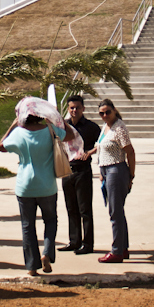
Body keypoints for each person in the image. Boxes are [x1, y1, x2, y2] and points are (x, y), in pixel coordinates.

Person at [0, 97, 75, 276]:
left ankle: (31, 266)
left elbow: (1, 146)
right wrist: (58, 120)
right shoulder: (50, 130)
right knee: (50, 220)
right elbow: (70, 135)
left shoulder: (19, 132)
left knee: (27, 225)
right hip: (47, 185)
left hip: (25, 186)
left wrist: (13, 126)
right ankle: (47, 253)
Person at [94, 98, 135, 263]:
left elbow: (130, 152)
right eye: (101, 113)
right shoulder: (106, 127)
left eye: (107, 112)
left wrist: (131, 176)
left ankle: (117, 251)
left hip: (116, 170)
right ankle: (123, 248)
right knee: (118, 211)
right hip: (107, 170)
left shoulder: (119, 128)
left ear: (114, 111)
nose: (105, 115)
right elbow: (101, 148)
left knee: (115, 212)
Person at [59, 95, 101, 255]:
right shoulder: (64, 126)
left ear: (83, 109)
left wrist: (89, 152)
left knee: (85, 209)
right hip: (67, 170)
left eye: (77, 107)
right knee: (71, 208)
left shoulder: (91, 127)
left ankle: (88, 244)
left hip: (83, 171)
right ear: (68, 109)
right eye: (71, 108)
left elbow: (102, 142)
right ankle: (74, 241)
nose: (74, 110)